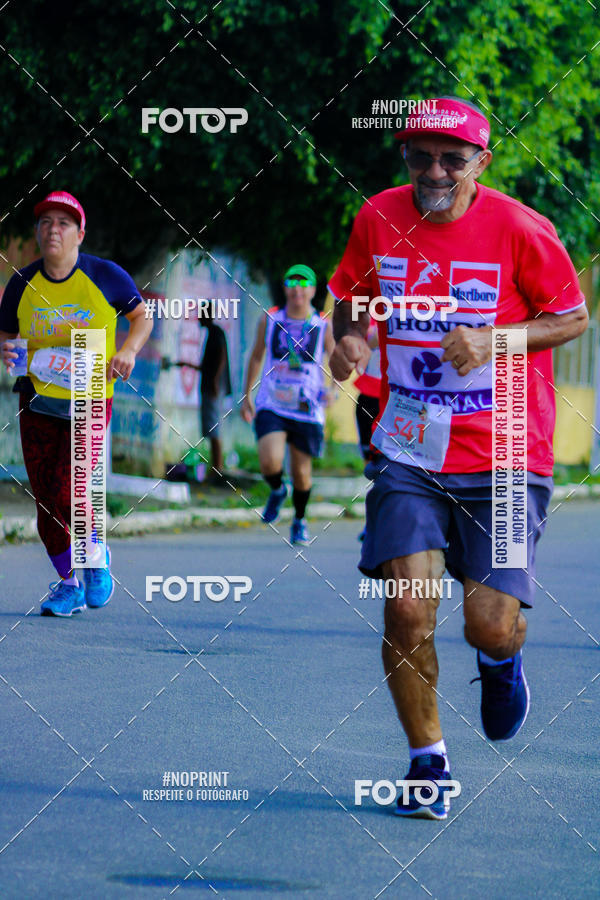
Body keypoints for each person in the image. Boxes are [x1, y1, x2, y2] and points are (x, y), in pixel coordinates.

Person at [328, 97, 588, 819]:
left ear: (482, 162)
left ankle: (502, 660)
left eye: (453, 158)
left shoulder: (520, 228)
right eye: (421, 156)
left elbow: (572, 316)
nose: (435, 171)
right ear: (405, 156)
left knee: (488, 623)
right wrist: (349, 339)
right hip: (409, 449)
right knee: (407, 608)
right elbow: (351, 294)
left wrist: (493, 340)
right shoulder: (378, 216)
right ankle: (428, 763)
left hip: (505, 453)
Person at [0, 190, 152, 617]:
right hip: (36, 401)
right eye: (46, 222)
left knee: (71, 490)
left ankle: (96, 557)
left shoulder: (104, 275)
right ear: (37, 232)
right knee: (46, 502)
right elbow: (6, 333)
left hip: (89, 399)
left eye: (63, 223)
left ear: (80, 234)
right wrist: (8, 350)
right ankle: (68, 585)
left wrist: (129, 350)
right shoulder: (22, 283)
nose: (54, 229)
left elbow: (142, 317)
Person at [241, 264, 336, 545]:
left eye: (303, 284)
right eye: (292, 283)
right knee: (269, 460)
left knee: (302, 474)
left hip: (307, 406)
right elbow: (256, 356)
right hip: (272, 401)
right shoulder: (270, 319)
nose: (297, 290)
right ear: (285, 288)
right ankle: (277, 489)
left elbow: (335, 360)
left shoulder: (322, 324)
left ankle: (299, 520)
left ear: (313, 290)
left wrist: (333, 391)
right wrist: (247, 395)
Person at [199, 308, 232, 478]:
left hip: (214, 387)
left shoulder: (216, 333)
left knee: (214, 426)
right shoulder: (212, 333)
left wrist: (214, 381)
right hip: (212, 385)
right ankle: (215, 467)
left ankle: (218, 468)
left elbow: (221, 358)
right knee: (212, 426)